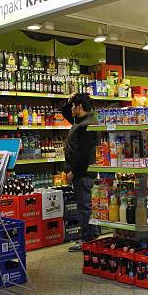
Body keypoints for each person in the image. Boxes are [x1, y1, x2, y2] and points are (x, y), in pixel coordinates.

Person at [62, 93, 99, 252]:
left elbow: (84, 154)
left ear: (80, 107)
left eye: (73, 106)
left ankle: (87, 240)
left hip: (83, 172)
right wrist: (70, 100)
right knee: (86, 205)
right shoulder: (81, 121)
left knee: (84, 207)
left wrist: (73, 173)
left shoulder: (86, 126)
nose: (71, 109)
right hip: (83, 172)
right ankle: (92, 236)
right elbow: (65, 113)